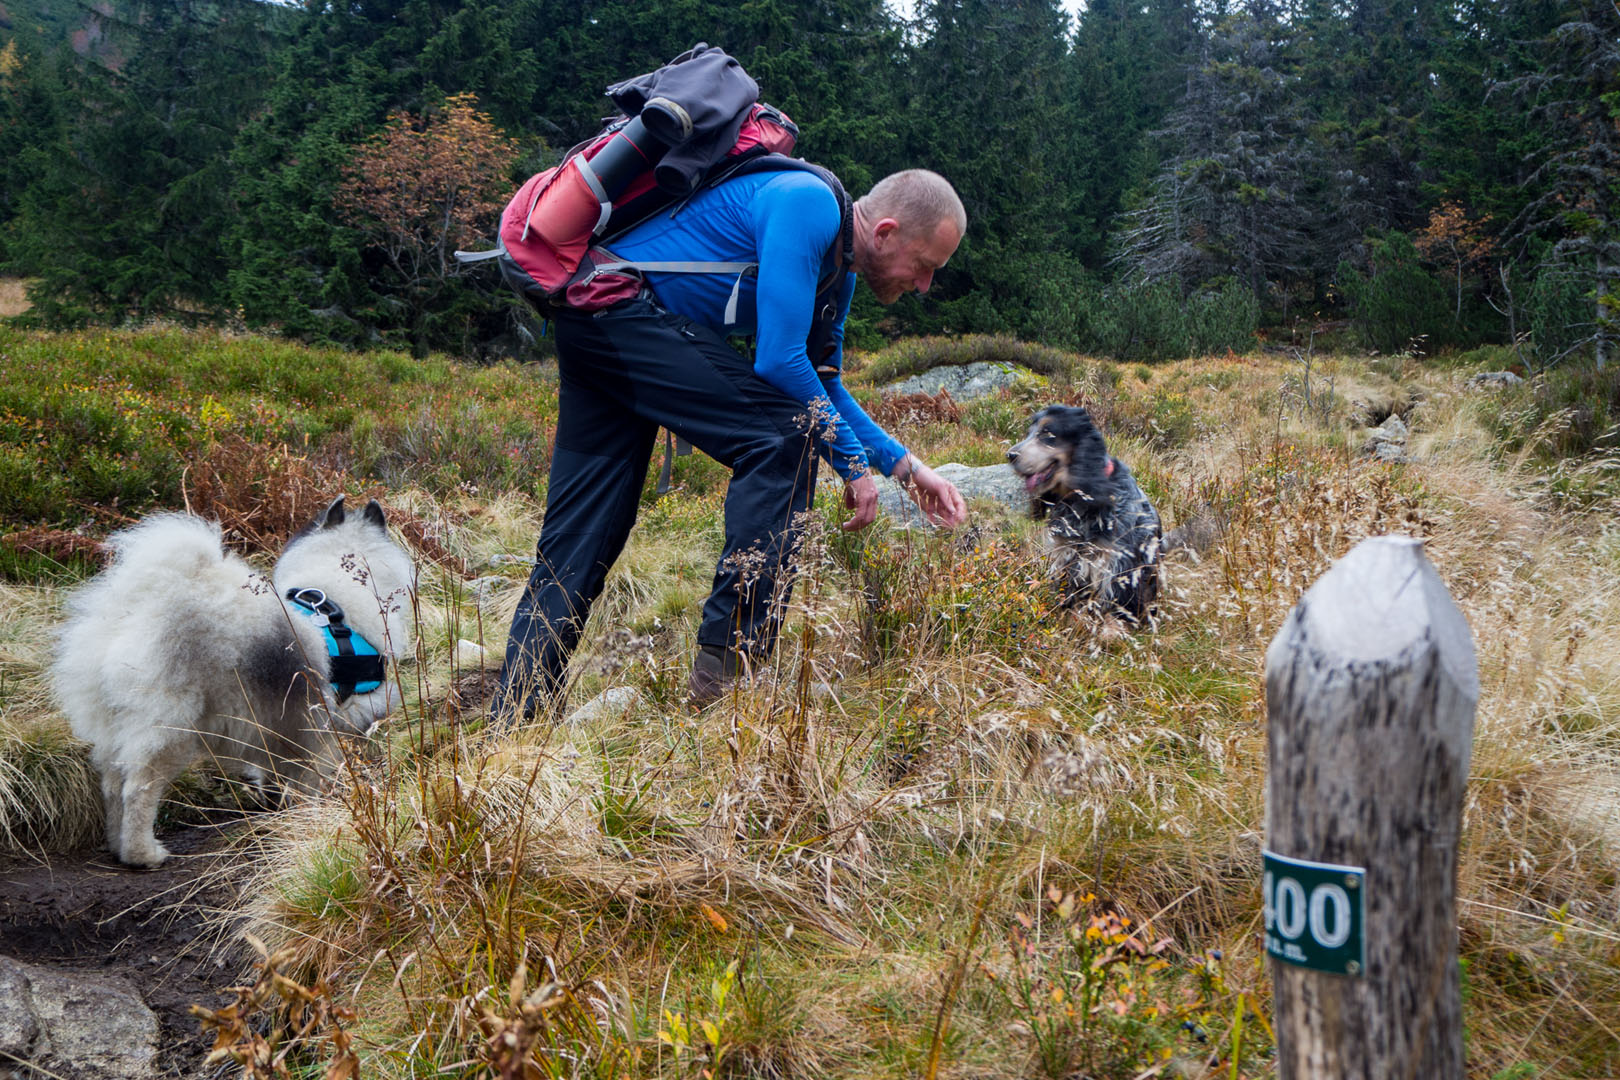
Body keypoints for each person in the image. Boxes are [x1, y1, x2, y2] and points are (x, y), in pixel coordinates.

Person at [490, 167, 970, 722]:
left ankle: (514, 720)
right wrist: (852, 465)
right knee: (784, 439)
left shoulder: (838, 273)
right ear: (884, 232)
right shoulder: (809, 204)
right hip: (615, 308)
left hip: (595, 318)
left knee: (581, 534)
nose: (925, 285)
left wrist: (909, 470)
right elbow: (778, 360)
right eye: (926, 265)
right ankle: (727, 684)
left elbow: (823, 380)